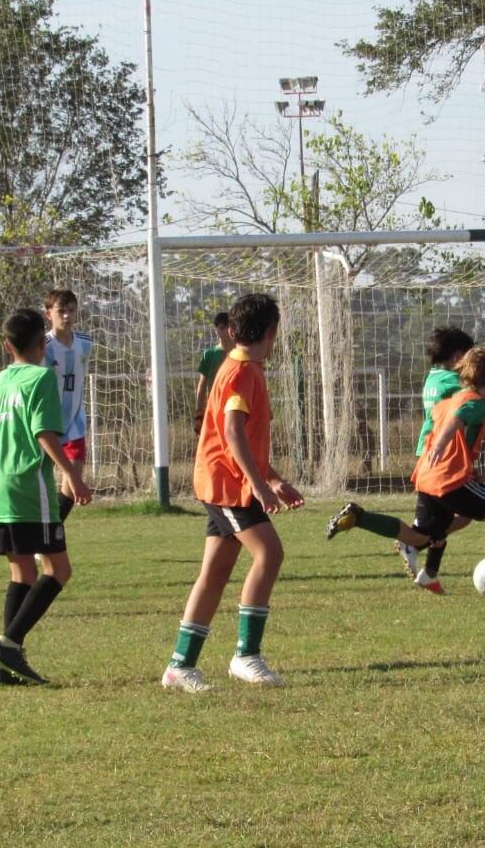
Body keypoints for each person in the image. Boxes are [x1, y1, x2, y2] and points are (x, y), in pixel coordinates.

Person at [163, 294, 304, 693]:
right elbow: (231, 431)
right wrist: (259, 486)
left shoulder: (241, 367)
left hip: (223, 479)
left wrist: (272, 478)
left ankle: (179, 666)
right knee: (269, 552)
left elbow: (246, 440)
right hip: (228, 484)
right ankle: (246, 655)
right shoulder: (243, 373)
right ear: (272, 331)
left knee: (216, 571)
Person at [0, 309, 93, 686]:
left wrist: (0, 456)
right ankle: (8, 644)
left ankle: (6, 667)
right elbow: (45, 433)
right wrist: (72, 476)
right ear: (43, 344)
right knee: (58, 570)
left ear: (7, 346)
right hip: (28, 488)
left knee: (21, 571)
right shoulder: (42, 377)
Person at [397, 326, 485, 593]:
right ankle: (412, 542)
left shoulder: (434, 379)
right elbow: (464, 411)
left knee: (452, 520)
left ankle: (428, 571)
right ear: (459, 356)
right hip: (442, 459)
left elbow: (470, 407)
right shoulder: (457, 387)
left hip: (433, 458)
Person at [43, 288, 94, 522]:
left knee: (72, 478)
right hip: (45, 423)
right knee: (39, 484)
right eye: (61, 311)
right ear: (48, 314)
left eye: (71, 311)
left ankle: (53, 529)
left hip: (74, 421)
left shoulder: (85, 343)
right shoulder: (42, 346)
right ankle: (40, 533)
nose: (66, 316)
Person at [192, 311, 235, 434]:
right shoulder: (209, 354)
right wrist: (199, 412)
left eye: (228, 327)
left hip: (236, 406)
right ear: (216, 330)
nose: (226, 331)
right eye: (221, 328)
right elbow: (202, 384)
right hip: (215, 406)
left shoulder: (240, 353)